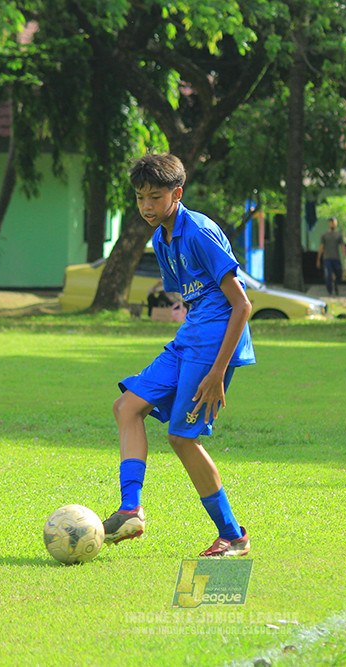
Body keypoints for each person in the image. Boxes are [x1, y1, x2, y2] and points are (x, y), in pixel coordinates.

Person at [104, 153, 256, 558]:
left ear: (178, 193)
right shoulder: (161, 238)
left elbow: (242, 305)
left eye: (155, 197)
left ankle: (233, 536)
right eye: (140, 198)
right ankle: (130, 510)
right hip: (190, 337)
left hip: (214, 344)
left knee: (181, 437)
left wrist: (217, 372)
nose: (147, 206)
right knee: (126, 407)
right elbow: (192, 298)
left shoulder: (200, 232)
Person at [316, 216, 345, 295]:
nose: (332, 224)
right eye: (331, 222)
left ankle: (335, 283)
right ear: (329, 223)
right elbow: (321, 247)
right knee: (328, 274)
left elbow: (342, 245)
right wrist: (318, 259)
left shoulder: (338, 234)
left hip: (336, 257)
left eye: (334, 222)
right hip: (327, 258)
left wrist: (344, 254)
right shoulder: (325, 235)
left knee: (339, 273)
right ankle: (330, 291)